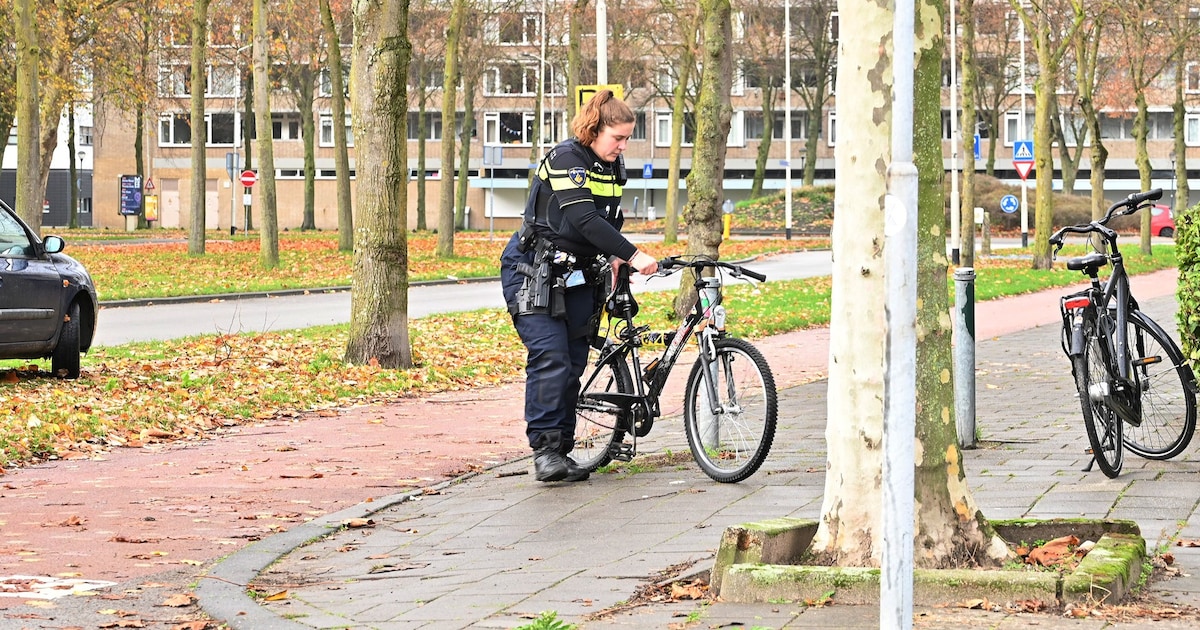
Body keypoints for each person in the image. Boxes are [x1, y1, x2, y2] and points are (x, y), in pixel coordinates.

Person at [500, 90, 659, 483]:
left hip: (580, 275)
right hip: (534, 271)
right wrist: (633, 254)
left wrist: (616, 257)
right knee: (550, 357)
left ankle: (561, 452)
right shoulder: (566, 159)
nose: (623, 147)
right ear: (594, 129)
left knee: (572, 363)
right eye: (617, 138)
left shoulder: (612, 167)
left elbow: (609, 219)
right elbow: (583, 219)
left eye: (627, 139)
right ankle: (544, 451)